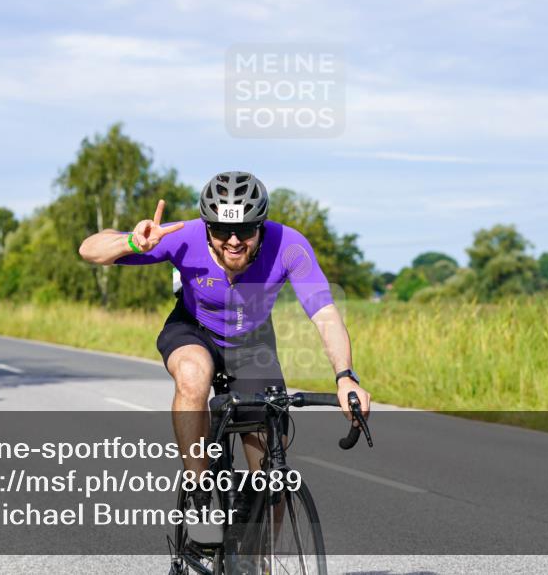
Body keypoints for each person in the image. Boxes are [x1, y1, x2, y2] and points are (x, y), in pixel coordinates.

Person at [78, 170, 371, 543]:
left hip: (251, 343)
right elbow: (89, 249)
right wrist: (132, 243)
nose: (233, 241)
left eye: (246, 230)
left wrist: (345, 375)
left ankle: (258, 559)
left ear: (261, 226)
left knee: (271, 474)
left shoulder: (290, 246)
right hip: (193, 329)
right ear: (207, 226)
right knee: (192, 374)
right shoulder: (183, 237)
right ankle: (199, 490)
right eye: (220, 230)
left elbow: (325, 313)